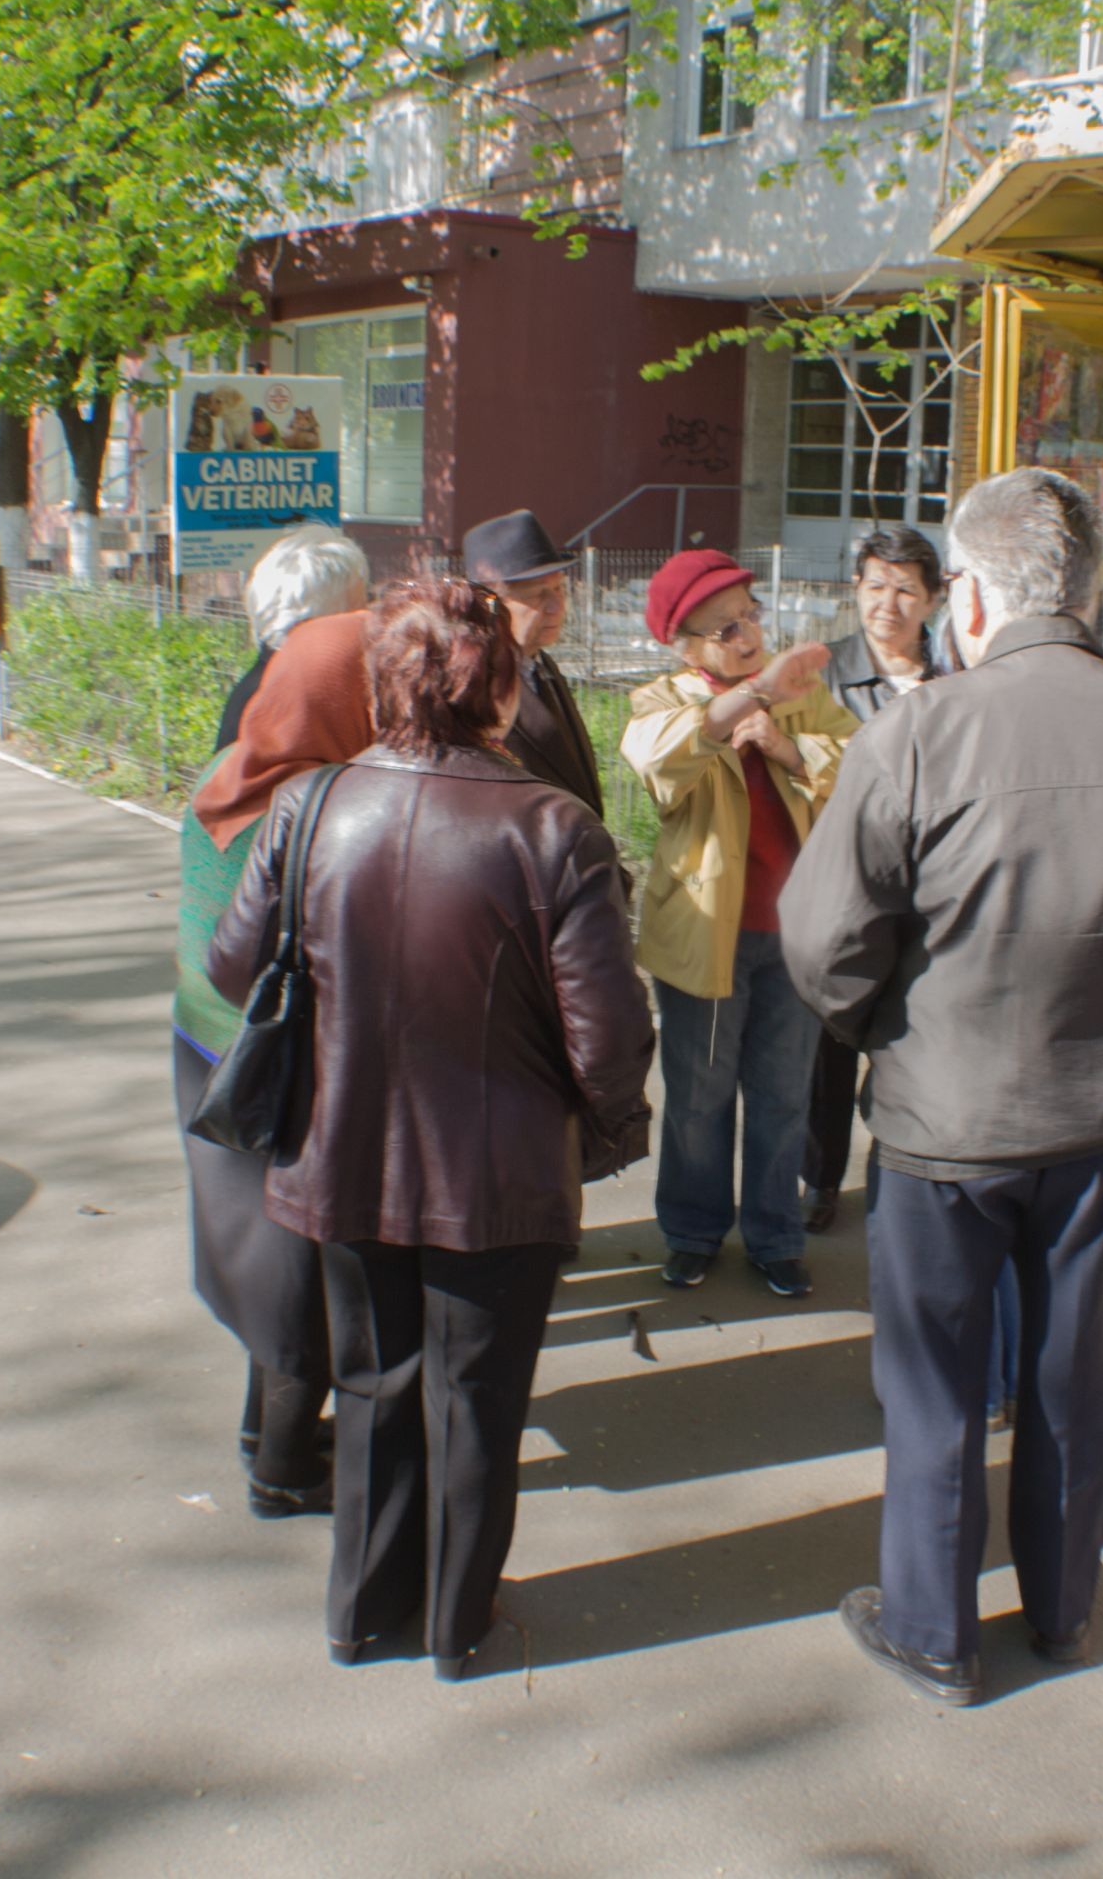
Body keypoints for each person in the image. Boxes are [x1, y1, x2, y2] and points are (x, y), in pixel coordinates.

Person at [780, 469, 1103, 1705]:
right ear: (1089, 593)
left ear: (974, 596)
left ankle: (934, 1630)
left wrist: (891, 1029)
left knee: (934, 1383)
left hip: (945, 1119)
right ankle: (1061, 1609)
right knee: (1073, 1373)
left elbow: (824, 942)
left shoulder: (918, 729)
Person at [207, 578, 654, 1672]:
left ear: (387, 687)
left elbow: (231, 965)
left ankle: (359, 1612)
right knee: (478, 1401)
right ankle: (458, 1626)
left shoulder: (309, 809)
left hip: (343, 1155)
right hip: (498, 1172)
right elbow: (609, 1039)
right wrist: (606, 1134)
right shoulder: (556, 829)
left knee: (371, 1386)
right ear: (498, 688)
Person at [174, 602, 376, 1519]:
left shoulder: (228, 770)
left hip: (209, 1050)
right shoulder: (322, 805)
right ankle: (283, 1472)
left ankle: (265, 1433)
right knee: (304, 1273)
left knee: (258, 1260)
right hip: (287, 1067)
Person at [621, 549, 858, 1299]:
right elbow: (662, 760)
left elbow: (859, 766)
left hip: (794, 935)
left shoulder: (802, 694)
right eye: (726, 627)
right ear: (683, 644)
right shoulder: (658, 701)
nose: (749, 633)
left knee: (784, 1094)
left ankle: (774, 1235)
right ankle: (692, 1232)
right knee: (699, 1094)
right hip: (705, 935)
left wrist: (786, 745)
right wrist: (750, 697)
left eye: (751, 614)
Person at [802, 525, 945, 1235]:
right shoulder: (824, 674)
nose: (887, 604)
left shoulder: (956, 680)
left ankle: (900, 1177)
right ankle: (818, 1180)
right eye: (875, 586)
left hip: (932, 898)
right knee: (827, 1051)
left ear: (933, 599)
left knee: (913, 1046)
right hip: (847, 888)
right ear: (856, 589)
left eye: (905, 590)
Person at [462, 509, 606, 815]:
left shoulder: (541, 664)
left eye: (559, 589)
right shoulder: (475, 683)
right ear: (492, 604)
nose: (557, 607)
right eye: (539, 594)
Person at [215, 526, 370, 751]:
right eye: (359, 608)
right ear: (317, 622)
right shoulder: (298, 703)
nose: (367, 619)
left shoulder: (257, 689)